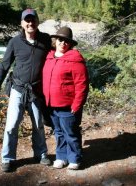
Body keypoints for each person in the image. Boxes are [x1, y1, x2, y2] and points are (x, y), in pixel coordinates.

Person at [0, 8, 52, 172]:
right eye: (27, 20)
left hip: (36, 90)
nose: (30, 23)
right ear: (22, 23)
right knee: (11, 125)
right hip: (18, 89)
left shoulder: (45, 40)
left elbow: (55, 59)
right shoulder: (15, 42)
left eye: (33, 20)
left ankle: (41, 154)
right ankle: (7, 158)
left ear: (37, 22)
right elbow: (4, 65)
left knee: (38, 124)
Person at [42, 26, 89, 170]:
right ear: (55, 41)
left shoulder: (75, 60)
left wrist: (77, 105)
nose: (63, 43)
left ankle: (74, 158)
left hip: (68, 105)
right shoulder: (49, 57)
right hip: (51, 104)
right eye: (60, 40)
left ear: (70, 44)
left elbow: (82, 85)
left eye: (66, 41)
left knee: (71, 132)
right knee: (58, 132)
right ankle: (61, 157)